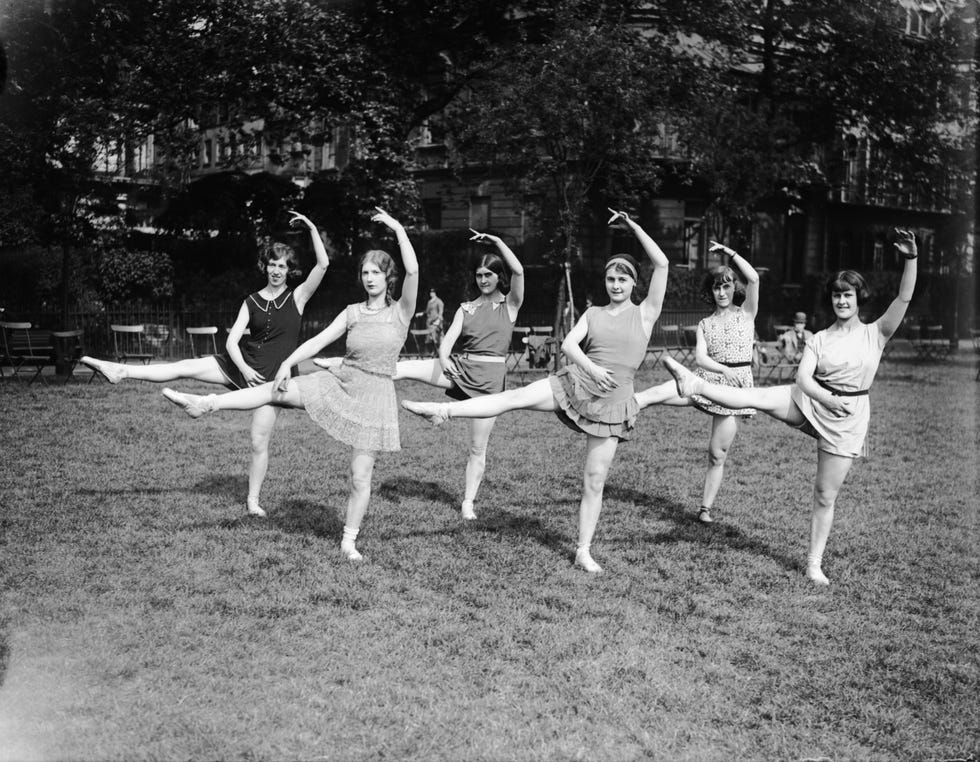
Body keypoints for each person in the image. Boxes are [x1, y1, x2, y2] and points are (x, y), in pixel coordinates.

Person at [401, 208, 669, 573]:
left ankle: (582, 550)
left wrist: (633, 226)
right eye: (610, 279)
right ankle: (443, 411)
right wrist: (591, 367)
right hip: (576, 383)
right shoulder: (593, 314)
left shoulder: (646, 313)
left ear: (634, 283)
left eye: (622, 279)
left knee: (593, 481)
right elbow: (570, 347)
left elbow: (663, 263)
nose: (616, 285)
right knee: (511, 399)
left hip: (612, 403)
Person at [659, 229, 918, 586]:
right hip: (812, 399)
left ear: (859, 298)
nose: (842, 301)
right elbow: (803, 379)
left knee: (825, 494)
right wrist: (825, 398)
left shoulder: (877, 332)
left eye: (848, 295)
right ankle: (696, 385)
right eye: (836, 295)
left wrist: (911, 259)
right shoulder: (819, 338)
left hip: (848, 417)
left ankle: (814, 562)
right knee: (757, 397)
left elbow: (904, 297)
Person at [162, 209, 419, 562]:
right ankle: (206, 404)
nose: (369, 278)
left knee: (360, 477)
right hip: (340, 382)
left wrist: (397, 229)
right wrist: (286, 363)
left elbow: (415, 270)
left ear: (389, 277)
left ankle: (349, 540)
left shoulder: (401, 311)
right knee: (275, 390)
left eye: (376, 272)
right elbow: (317, 341)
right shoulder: (352, 312)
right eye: (365, 272)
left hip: (374, 397)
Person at [80, 212, 331, 517]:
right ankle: (121, 371)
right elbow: (231, 342)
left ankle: (253, 501)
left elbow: (323, 265)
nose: (277, 270)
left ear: (289, 270)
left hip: (272, 380)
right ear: (264, 266)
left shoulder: (298, 298)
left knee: (257, 440)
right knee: (184, 365)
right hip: (242, 365)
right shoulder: (250, 301)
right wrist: (244, 368)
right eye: (272, 264)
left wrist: (312, 227)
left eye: (282, 266)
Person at [388, 229, 524, 520]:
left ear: (499, 277)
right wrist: (444, 356)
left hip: (489, 382)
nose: (483, 279)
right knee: (402, 369)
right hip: (460, 369)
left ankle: (467, 502)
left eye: (489, 274)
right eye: (479, 275)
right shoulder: (466, 308)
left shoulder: (510, 306)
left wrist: (498, 242)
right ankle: (351, 371)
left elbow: (519, 270)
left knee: (477, 447)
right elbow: (447, 341)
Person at [632, 241, 760, 524]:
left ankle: (705, 509)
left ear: (733, 289)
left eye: (727, 286)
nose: (722, 292)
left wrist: (731, 253)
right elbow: (700, 358)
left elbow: (754, 278)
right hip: (708, 378)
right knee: (660, 392)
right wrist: (723, 370)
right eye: (717, 287)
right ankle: (629, 406)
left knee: (717, 453)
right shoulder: (705, 323)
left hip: (735, 389)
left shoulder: (747, 313)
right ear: (711, 291)